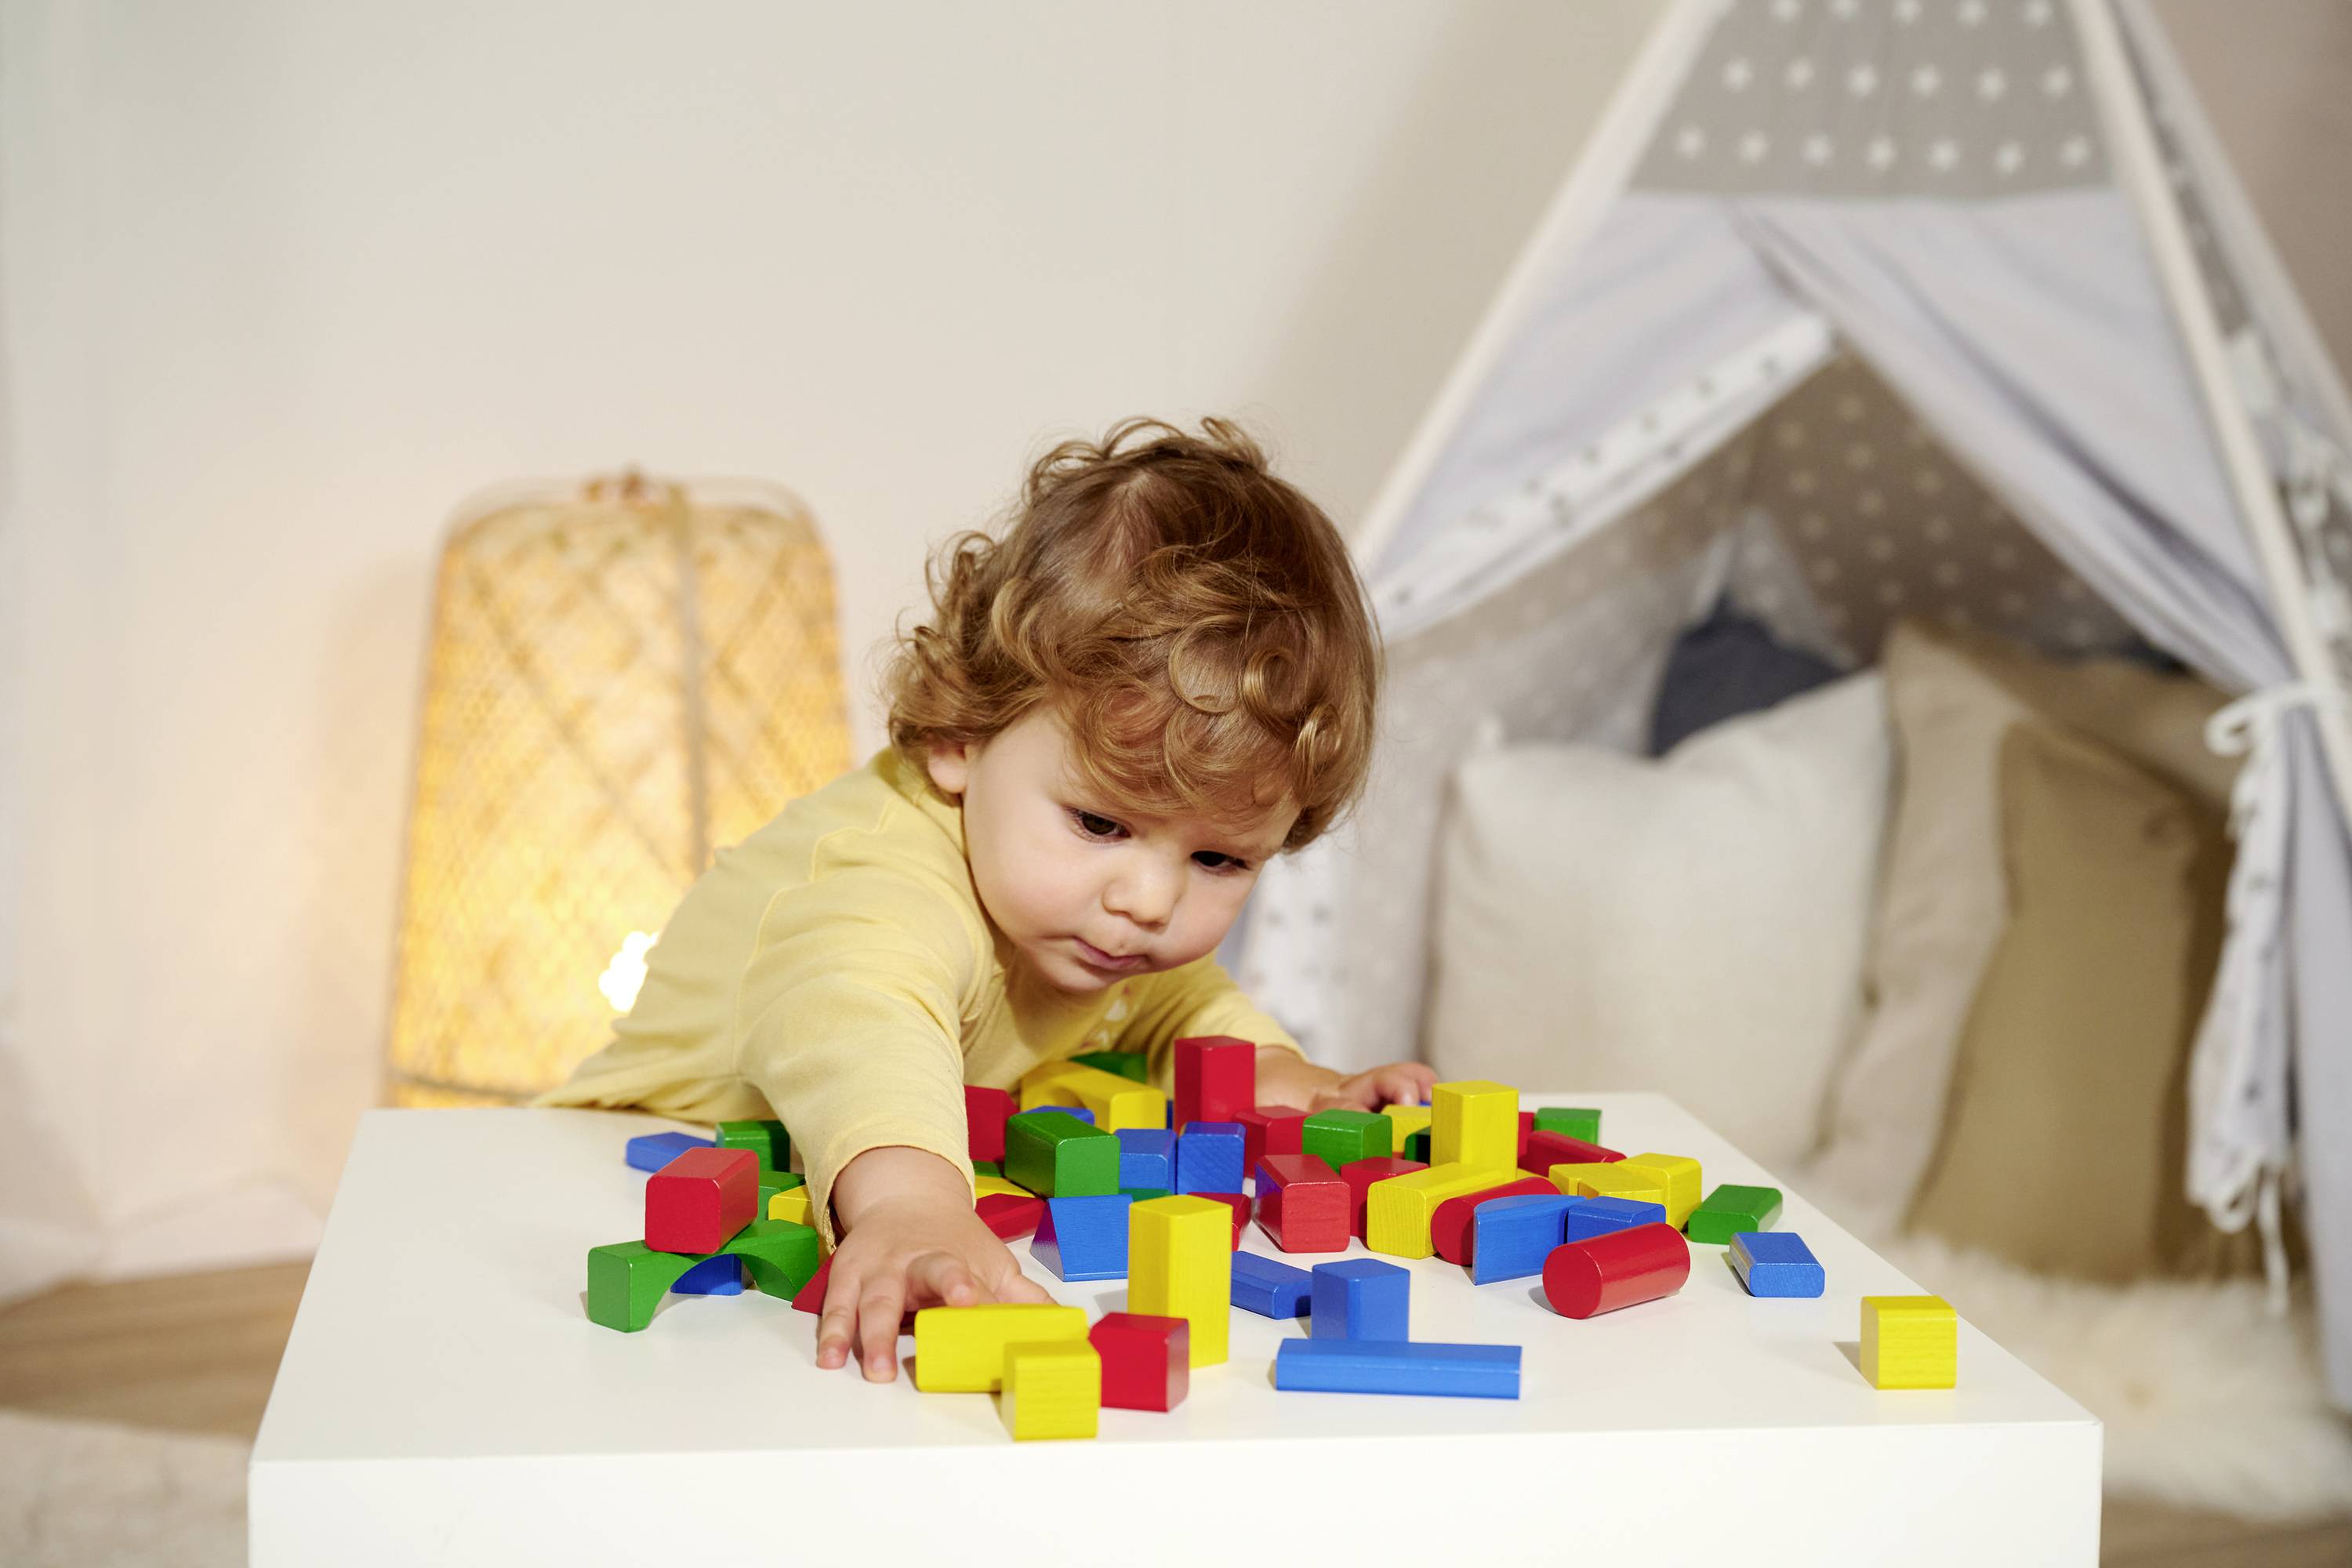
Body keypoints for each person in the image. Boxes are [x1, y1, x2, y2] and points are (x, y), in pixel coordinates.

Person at [536, 416, 1433, 1379]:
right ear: (962, 730)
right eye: (1101, 823)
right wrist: (911, 1202)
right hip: (654, 1171)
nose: (1148, 898)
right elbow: (855, 1010)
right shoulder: (889, 876)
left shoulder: (1089, 922)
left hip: (809, 1200)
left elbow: (1176, 1007)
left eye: (1219, 859)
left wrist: (1294, 1083)